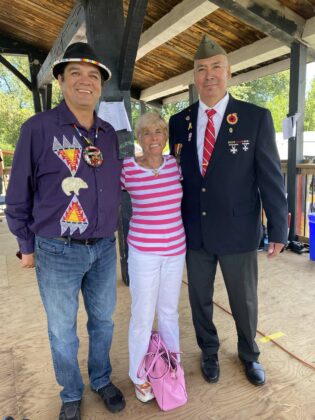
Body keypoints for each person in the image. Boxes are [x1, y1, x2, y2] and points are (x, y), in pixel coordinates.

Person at [5, 42, 125, 420]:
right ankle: (71, 392)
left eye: (93, 75)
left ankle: (101, 379)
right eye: (75, 73)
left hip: (105, 247)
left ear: (101, 87)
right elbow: (18, 193)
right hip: (57, 250)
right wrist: (26, 244)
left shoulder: (107, 132)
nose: (85, 81)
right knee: (62, 330)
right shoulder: (38, 129)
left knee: (104, 320)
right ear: (60, 80)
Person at [169, 36, 288, 387]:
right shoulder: (180, 122)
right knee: (200, 300)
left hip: (238, 229)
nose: (209, 76)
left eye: (216, 67)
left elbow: (270, 177)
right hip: (194, 231)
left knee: (244, 301)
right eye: (202, 70)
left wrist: (279, 229)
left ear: (229, 72)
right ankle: (208, 351)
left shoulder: (254, 118)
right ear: (194, 76)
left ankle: (249, 354)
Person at [121, 112, 186, 402]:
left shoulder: (175, 165)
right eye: (146, 132)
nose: (154, 138)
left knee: (170, 312)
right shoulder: (127, 169)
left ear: (165, 137)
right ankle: (138, 374)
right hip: (144, 253)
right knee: (142, 315)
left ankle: (171, 363)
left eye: (159, 131)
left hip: (176, 251)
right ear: (139, 137)